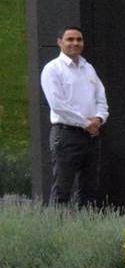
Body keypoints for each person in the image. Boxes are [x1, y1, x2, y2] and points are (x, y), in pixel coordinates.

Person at [40, 26, 108, 206]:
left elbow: (101, 98)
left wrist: (99, 118)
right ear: (59, 42)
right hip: (66, 136)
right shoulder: (52, 69)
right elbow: (58, 105)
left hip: (91, 136)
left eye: (79, 39)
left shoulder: (88, 68)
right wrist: (85, 122)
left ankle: (86, 229)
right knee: (62, 189)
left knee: (89, 189)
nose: (75, 43)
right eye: (70, 39)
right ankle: (56, 231)